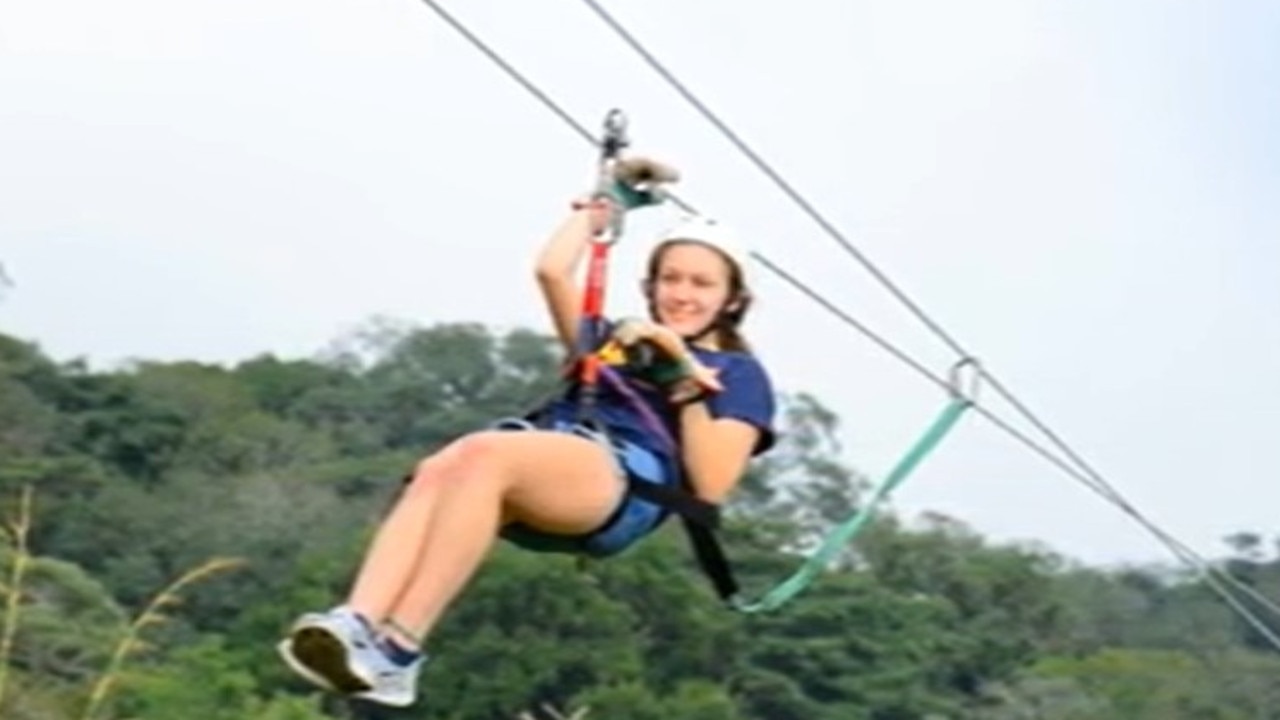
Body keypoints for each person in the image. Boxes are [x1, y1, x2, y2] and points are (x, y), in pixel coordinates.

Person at [275, 184, 778, 708]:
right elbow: (552, 272)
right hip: (557, 453)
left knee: (485, 454)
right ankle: (358, 624)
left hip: (630, 481)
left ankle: (399, 652)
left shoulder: (740, 375)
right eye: (670, 279)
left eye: (701, 283)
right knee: (443, 465)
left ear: (732, 299)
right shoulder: (619, 343)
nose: (682, 294)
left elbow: (713, 483)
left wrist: (684, 375)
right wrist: (608, 206)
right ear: (650, 286)